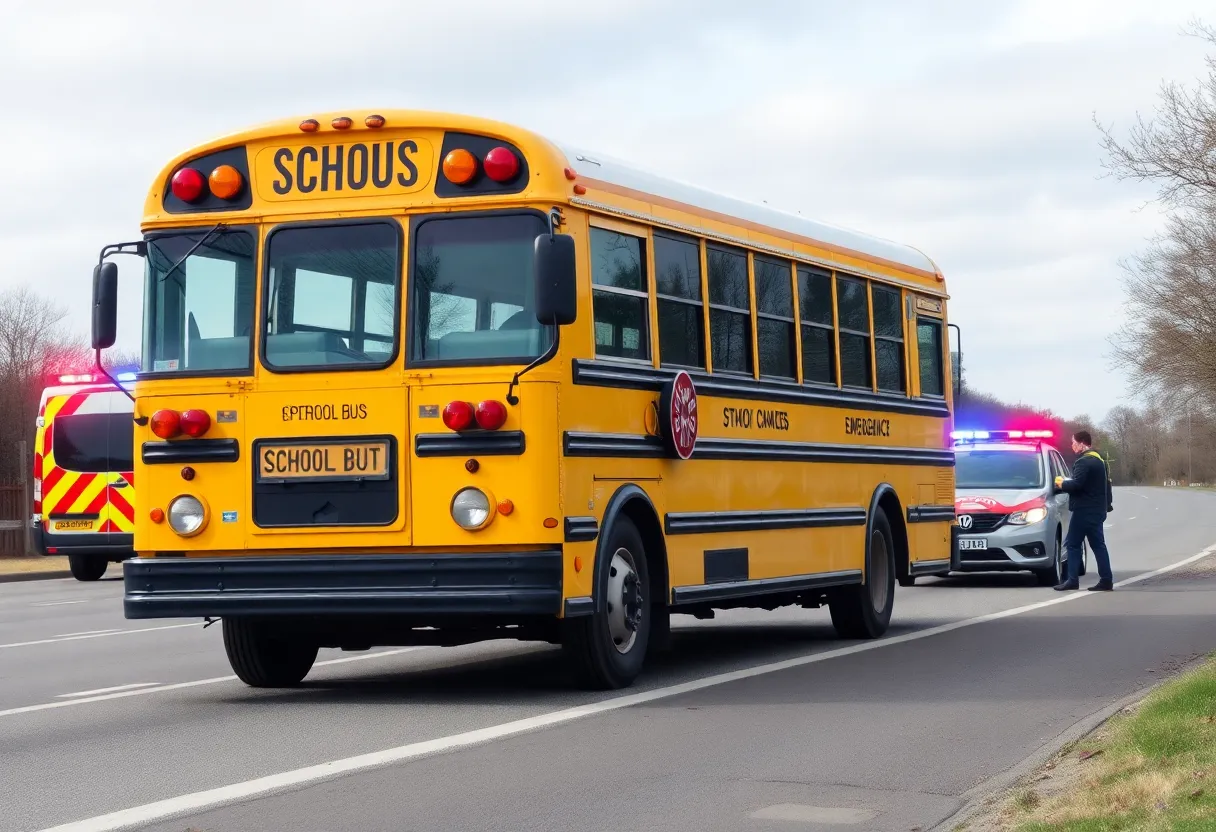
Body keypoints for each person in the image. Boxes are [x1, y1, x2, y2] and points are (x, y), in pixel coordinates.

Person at [1053, 430, 1114, 591]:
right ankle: (1106, 580)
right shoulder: (1099, 460)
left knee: (1072, 544)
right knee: (1098, 545)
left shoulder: (1084, 462)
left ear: (1081, 443)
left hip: (1083, 510)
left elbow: (1077, 485)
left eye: (1073, 442)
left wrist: (1061, 484)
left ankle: (1072, 580)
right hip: (1097, 510)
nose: (1071, 445)